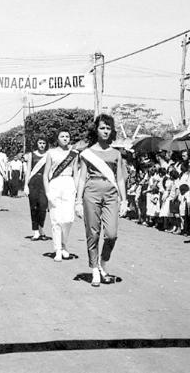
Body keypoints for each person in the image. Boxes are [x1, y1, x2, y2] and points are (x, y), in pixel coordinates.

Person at [76, 114, 126, 286]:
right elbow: (82, 177)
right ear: (96, 130)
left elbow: (120, 178)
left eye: (108, 128)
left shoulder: (116, 154)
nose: (105, 131)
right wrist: (77, 201)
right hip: (91, 193)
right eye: (102, 128)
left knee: (111, 234)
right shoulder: (87, 154)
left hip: (111, 194)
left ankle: (103, 262)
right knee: (93, 232)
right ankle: (94, 269)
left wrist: (124, 200)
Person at [43, 128, 78, 262]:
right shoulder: (51, 153)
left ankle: (64, 243)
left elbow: (75, 172)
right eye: (62, 136)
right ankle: (58, 249)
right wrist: (47, 192)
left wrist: (75, 190)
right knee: (56, 219)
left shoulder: (74, 153)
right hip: (55, 185)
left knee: (68, 219)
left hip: (69, 183)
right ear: (57, 139)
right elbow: (46, 175)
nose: (65, 138)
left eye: (67, 136)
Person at [24, 137, 48, 240]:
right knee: (33, 207)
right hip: (33, 182)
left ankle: (41, 228)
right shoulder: (31, 155)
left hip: (44, 182)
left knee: (43, 206)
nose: (42, 145)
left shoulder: (48, 155)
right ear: (36, 144)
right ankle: (36, 231)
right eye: (40, 143)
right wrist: (25, 185)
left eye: (43, 143)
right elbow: (28, 170)